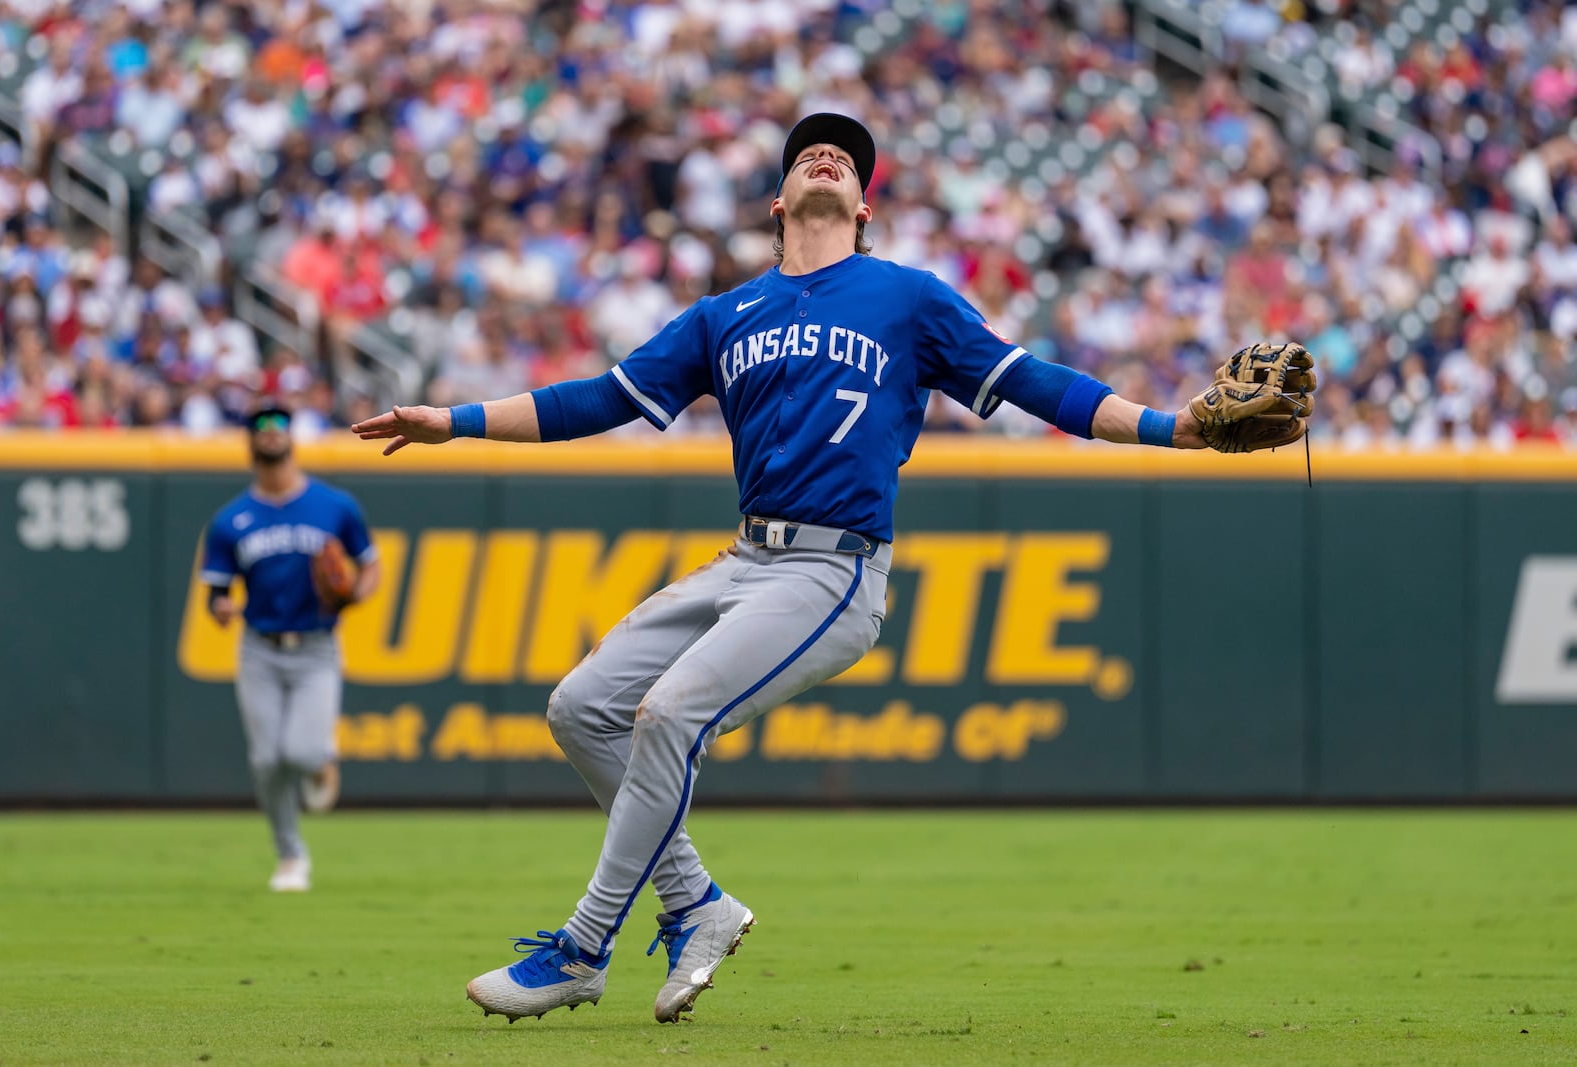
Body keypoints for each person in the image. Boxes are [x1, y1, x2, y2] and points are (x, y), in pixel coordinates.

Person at [351, 113, 1291, 1023]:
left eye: (845, 156)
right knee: (580, 707)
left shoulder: (908, 299)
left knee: (668, 713)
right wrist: (455, 419)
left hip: (832, 571)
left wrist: (1172, 428)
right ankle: (697, 905)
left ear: (865, 207)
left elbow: (1034, 383)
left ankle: (583, 949)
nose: (828, 155)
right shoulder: (725, 314)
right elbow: (599, 398)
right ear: (778, 197)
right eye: (810, 151)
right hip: (747, 558)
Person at [202, 404, 380, 891]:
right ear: (251, 442)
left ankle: (319, 757)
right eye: (261, 426)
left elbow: (370, 566)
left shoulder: (334, 505)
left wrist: (354, 595)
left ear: (291, 437)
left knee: (299, 753)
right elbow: (216, 593)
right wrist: (219, 609)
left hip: (317, 646)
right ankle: (289, 854)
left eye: (280, 423)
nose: (271, 431)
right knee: (266, 760)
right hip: (259, 647)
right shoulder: (230, 520)